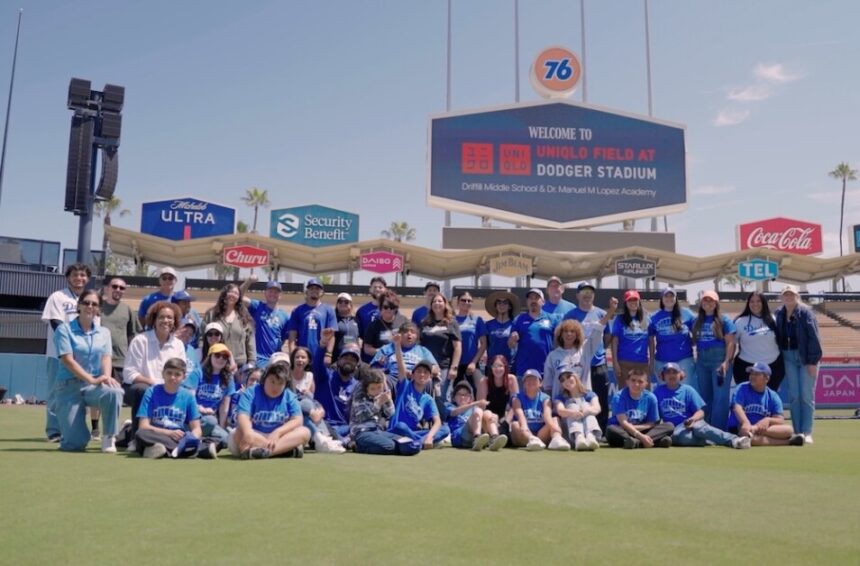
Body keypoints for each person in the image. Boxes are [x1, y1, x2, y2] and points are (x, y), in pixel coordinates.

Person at [53, 289, 123, 453]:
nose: (90, 307)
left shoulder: (104, 332)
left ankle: (109, 437)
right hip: (68, 387)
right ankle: (74, 435)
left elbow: (106, 357)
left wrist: (106, 376)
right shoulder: (64, 330)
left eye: (94, 304)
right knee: (74, 445)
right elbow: (67, 360)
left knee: (114, 391)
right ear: (79, 305)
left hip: (93, 386)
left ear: (98, 309)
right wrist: (92, 379)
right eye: (86, 303)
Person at [122, 301, 187, 445]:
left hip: (169, 387)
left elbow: (182, 372)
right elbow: (129, 373)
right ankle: (134, 439)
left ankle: (129, 432)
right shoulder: (140, 340)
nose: (166, 321)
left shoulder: (178, 344)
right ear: (154, 319)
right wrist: (154, 384)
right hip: (140, 389)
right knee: (143, 390)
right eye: (161, 317)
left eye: (170, 318)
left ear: (175, 321)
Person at [41, 262, 90, 442]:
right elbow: (56, 323)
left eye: (82, 275)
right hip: (59, 354)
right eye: (75, 275)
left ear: (88, 278)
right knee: (56, 392)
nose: (79, 278)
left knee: (80, 393)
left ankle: (74, 429)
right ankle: (54, 430)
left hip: (82, 356)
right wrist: (73, 342)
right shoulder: (58, 297)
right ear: (68, 278)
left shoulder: (89, 299)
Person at [134, 357, 217, 459]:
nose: (172, 377)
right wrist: (168, 433)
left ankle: (162, 451)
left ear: (184, 377)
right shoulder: (151, 392)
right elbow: (143, 426)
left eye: (177, 374)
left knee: (208, 439)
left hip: (179, 437)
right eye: (169, 373)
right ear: (163, 374)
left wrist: (190, 438)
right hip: (156, 435)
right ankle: (194, 450)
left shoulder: (188, 396)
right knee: (140, 434)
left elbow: (197, 429)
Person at [654, 363, 751, 449]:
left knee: (699, 428)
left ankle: (735, 440)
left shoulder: (688, 390)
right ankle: (711, 440)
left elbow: (701, 411)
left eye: (674, 372)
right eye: (668, 373)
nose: (671, 375)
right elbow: (656, 416)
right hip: (675, 431)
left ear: (680, 375)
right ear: (663, 376)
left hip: (692, 424)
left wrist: (692, 419)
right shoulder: (657, 392)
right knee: (686, 438)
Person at [229, 361, 311, 459]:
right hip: (256, 434)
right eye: (272, 381)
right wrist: (248, 433)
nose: (275, 387)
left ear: (285, 384)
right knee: (238, 433)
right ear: (264, 379)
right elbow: (243, 416)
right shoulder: (251, 393)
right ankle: (284, 451)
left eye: (280, 383)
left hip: (278, 437)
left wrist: (277, 432)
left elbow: (298, 420)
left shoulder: (289, 395)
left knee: (305, 432)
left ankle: (262, 453)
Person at [543, 297, 618, 399]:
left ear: (578, 334)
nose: (569, 334)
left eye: (572, 331)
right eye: (565, 331)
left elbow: (597, 329)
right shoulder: (552, 356)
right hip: (560, 405)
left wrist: (610, 312)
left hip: (583, 404)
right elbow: (548, 385)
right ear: (560, 334)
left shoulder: (585, 350)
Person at [775, 285, 822, 443]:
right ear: (782, 297)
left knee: (806, 395)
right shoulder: (779, 313)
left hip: (805, 358)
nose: (788, 297)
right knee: (794, 396)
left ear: (797, 296)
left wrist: (813, 361)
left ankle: (807, 432)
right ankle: (797, 432)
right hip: (788, 356)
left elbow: (814, 337)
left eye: (792, 294)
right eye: (785, 294)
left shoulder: (806, 312)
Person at [563, 281, 612, 433]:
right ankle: (581, 429)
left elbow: (608, 336)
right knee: (579, 399)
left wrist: (600, 351)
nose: (587, 296)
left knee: (601, 399)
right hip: (579, 365)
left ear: (593, 295)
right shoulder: (570, 315)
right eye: (583, 292)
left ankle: (601, 431)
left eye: (590, 293)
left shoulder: (601, 314)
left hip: (598, 364)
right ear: (578, 295)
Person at [728, 362, 805, 447]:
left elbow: (780, 419)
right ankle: (788, 442)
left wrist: (767, 420)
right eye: (751, 373)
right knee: (748, 436)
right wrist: (745, 422)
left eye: (757, 374)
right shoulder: (742, 388)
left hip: (762, 430)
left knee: (789, 430)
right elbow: (737, 408)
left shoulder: (773, 396)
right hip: (741, 427)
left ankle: (755, 431)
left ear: (766, 378)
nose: (752, 376)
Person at [349, 368, 421, 456]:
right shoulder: (359, 396)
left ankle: (401, 448)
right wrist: (377, 404)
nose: (376, 391)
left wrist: (388, 400)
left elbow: (390, 414)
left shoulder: (383, 393)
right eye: (373, 389)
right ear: (367, 388)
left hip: (378, 431)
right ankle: (358, 446)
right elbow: (362, 416)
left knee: (411, 444)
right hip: (362, 433)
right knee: (390, 446)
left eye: (379, 387)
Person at [691, 290, 736, 431]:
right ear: (701, 303)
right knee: (704, 397)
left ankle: (719, 430)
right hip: (702, 360)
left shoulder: (724, 320)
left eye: (711, 300)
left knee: (720, 397)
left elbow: (731, 342)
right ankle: (706, 429)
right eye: (705, 300)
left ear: (716, 303)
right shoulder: (696, 320)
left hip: (719, 360)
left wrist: (726, 361)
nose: (708, 303)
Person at [288, 348, 345, 453]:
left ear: (308, 360)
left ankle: (322, 438)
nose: (300, 360)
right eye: (297, 357)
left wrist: (319, 409)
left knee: (309, 404)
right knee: (306, 404)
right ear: (292, 359)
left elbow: (312, 398)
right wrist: (311, 411)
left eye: (303, 357)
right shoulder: (287, 375)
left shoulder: (309, 375)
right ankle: (322, 438)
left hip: (305, 411)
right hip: (292, 411)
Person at [388, 352, 450, 449]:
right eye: (419, 371)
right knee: (401, 426)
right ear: (412, 375)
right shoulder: (405, 386)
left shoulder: (428, 399)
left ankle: (417, 443)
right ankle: (421, 443)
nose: (422, 374)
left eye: (426, 372)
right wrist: (397, 345)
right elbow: (401, 366)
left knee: (445, 429)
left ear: (430, 378)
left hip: (413, 433)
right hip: (397, 431)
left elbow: (437, 421)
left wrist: (429, 436)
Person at [312, 329, 362, 438]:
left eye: (353, 359)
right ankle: (340, 441)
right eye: (346, 358)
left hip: (344, 428)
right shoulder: (326, 376)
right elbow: (317, 363)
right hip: (323, 424)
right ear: (338, 360)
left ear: (357, 365)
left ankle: (339, 439)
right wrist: (323, 344)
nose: (348, 361)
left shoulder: (358, 386)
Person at [606, 368, 673, 449]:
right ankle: (654, 441)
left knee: (669, 426)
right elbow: (623, 423)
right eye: (633, 380)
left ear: (646, 384)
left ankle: (636, 443)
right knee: (611, 430)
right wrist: (640, 436)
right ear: (627, 382)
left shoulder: (651, 398)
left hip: (643, 431)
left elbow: (652, 423)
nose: (636, 384)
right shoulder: (619, 397)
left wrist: (640, 432)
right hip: (623, 430)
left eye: (640, 382)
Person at [733, 292, 784, 392]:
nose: (755, 304)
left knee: (768, 400)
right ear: (748, 303)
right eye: (752, 301)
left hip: (773, 366)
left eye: (758, 301)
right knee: (748, 400)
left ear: (764, 302)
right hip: (746, 367)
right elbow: (732, 343)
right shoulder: (740, 321)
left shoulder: (774, 319)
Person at [188, 343, 235, 450]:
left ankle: (201, 441)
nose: (221, 359)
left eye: (225, 356)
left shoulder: (228, 378)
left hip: (210, 419)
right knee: (211, 421)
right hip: (193, 417)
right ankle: (195, 436)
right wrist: (201, 409)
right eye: (217, 355)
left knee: (227, 440)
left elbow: (224, 407)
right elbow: (189, 398)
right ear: (210, 357)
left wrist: (222, 427)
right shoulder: (198, 373)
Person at [510, 369, 570, 451]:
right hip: (523, 433)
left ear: (540, 383)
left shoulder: (545, 398)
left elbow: (547, 415)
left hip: (540, 434)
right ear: (523, 384)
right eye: (527, 380)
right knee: (515, 425)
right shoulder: (517, 398)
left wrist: (554, 427)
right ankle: (532, 440)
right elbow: (520, 415)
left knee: (554, 419)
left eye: (534, 379)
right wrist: (525, 429)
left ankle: (557, 439)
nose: (531, 382)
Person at [648, 288, 696, 388]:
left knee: (684, 390)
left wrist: (692, 342)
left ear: (676, 298)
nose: (669, 298)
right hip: (662, 361)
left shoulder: (686, 314)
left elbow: (698, 331)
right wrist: (651, 361)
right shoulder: (654, 317)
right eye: (666, 296)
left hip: (684, 360)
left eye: (671, 296)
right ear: (662, 299)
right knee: (665, 392)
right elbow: (651, 340)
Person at [202, 283, 256, 369]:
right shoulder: (211, 314)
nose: (233, 295)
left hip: (240, 366)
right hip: (217, 363)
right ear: (224, 294)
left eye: (236, 293)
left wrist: (251, 362)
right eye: (230, 292)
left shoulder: (244, 316)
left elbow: (250, 341)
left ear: (239, 298)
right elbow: (202, 337)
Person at [418, 292, 461, 399]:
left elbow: (457, 347)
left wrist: (454, 368)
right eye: (434, 301)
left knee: (441, 397)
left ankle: (443, 416)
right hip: (426, 367)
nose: (437, 303)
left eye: (440, 301)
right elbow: (419, 345)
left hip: (444, 367)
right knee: (425, 396)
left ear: (445, 304)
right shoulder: (424, 323)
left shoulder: (451, 323)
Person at [445, 381, 508, 451]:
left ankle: (494, 437)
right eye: (459, 394)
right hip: (460, 437)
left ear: (470, 398)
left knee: (487, 413)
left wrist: (494, 417)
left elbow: (488, 417)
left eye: (466, 394)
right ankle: (477, 437)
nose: (463, 397)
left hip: (475, 434)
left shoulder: (473, 409)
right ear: (454, 398)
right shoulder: (450, 407)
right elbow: (454, 412)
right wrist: (475, 403)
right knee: (478, 411)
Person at [508, 288, 556, 380]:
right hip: (524, 371)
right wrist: (512, 340)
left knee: (546, 395)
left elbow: (558, 342)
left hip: (546, 370)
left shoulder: (552, 319)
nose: (533, 301)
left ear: (543, 302)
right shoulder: (519, 319)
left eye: (536, 298)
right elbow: (510, 345)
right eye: (530, 298)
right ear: (527, 302)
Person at [244, 280, 290, 369]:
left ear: (280, 295)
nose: (273, 294)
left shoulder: (285, 316)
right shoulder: (257, 306)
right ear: (265, 293)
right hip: (258, 358)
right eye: (270, 291)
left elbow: (283, 338)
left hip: (275, 359)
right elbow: (238, 297)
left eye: (276, 292)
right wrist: (249, 281)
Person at [611, 290, 650, 391]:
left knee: (644, 393)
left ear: (639, 301)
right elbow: (614, 341)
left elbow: (651, 340)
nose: (633, 303)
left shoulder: (646, 318)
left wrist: (652, 362)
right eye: (630, 300)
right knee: (625, 392)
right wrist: (615, 363)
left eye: (635, 300)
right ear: (625, 303)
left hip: (642, 362)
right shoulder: (620, 319)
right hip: (624, 362)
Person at [287, 278, 337, 358]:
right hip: (302, 355)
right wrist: (292, 355)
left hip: (321, 354)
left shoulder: (329, 310)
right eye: (311, 288)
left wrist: (328, 354)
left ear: (322, 292)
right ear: (307, 292)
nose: (314, 290)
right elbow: (292, 336)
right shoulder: (297, 310)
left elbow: (331, 335)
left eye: (317, 288)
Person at [371, 322, 438, 381]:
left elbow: (436, 369)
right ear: (399, 334)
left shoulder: (423, 351)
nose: (409, 334)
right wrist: (380, 365)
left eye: (413, 332)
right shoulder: (386, 349)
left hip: (415, 380)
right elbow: (372, 370)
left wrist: (418, 373)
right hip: (393, 378)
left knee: (427, 382)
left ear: (417, 336)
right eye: (405, 331)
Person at [554, 370, 601, 451]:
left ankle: (590, 436)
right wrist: (573, 412)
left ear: (575, 376)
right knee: (572, 406)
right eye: (562, 380)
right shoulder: (560, 397)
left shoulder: (589, 394)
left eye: (568, 376)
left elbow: (597, 408)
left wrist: (586, 411)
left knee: (587, 406)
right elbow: (560, 411)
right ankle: (578, 436)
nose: (566, 381)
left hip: (588, 428)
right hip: (570, 433)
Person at [453, 291, 487, 398]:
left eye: (469, 300)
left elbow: (483, 344)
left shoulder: (477, 320)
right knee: (456, 393)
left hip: (471, 364)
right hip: (455, 364)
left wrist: (473, 362)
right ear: (458, 302)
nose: (466, 302)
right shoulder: (451, 320)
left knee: (478, 390)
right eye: (463, 300)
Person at [362, 290, 408, 365]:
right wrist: (380, 352)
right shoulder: (373, 325)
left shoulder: (404, 321)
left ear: (396, 308)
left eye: (392, 307)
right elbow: (367, 348)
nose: (389, 310)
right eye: (385, 307)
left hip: (402, 362)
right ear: (380, 307)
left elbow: (412, 342)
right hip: (382, 364)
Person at [484, 290, 519, 366]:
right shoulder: (488, 324)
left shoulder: (516, 325)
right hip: (492, 365)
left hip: (510, 365)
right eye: (499, 303)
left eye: (505, 303)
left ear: (510, 306)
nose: (501, 305)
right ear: (496, 306)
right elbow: (484, 344)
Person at [356, 276, 387, 362]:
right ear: (370, 289)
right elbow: (357, 335)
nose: (377, 289)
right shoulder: (362, 311)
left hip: (387, 359)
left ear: (385, 289)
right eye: (374, 287)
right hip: (367, 359)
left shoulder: (391, 309)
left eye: (380, 287)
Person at [484, 355, 518, 423]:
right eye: (495, 366)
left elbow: (516, 404)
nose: (497, 369)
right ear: (491, 368)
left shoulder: (511, 379)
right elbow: (481, 405)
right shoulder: (484, 381)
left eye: (500, 366)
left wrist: (506, 422)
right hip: (488, 416)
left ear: (505, 367)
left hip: (503, 417)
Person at [332, 292, 360, 360]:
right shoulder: (332, 319)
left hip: (354, 357)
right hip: (337, 357)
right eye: (340, 301)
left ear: (351, 305)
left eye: (346, 302)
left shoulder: (356, 320)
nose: (343, 304)